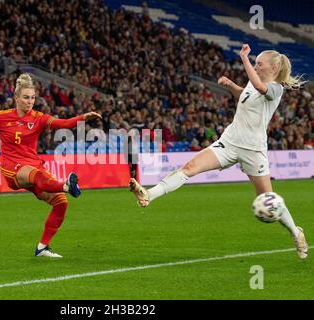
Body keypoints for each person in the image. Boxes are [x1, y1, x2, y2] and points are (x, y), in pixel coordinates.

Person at [130, 44, 308, 259]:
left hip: (253, 150)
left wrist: (243, 58)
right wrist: (232, 85)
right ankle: (149, 194)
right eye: (254, 63)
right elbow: (245, 95)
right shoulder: (254, 84)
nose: (255, 65)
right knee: (190, 167)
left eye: (258, 63)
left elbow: (260, 89)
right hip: (230, 142)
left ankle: (295, 231)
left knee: (267, 198)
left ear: (273, 67)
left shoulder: (276, 88)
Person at [0, 73, 102, 258]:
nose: (30, 101)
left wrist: (83, 117)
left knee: (61, 202)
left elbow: (63, 123)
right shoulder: (3, 117)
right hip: (12, 168)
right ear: (16, 98)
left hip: (34, 165)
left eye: (32, 98)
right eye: (25, 97)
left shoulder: (39, 118)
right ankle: (65, 185)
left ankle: (42, 247)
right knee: (37, 176)